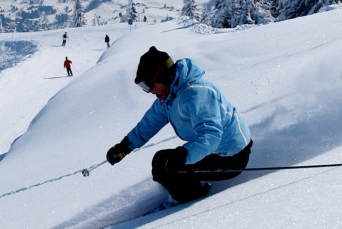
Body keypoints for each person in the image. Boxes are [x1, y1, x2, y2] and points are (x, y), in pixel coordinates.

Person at [105, 46, 252, 203]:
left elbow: (211, 135)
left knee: (166, 166)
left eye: (147, 85)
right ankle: (189, 191)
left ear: (162, 76)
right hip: (216, 151)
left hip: (233, 156)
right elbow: (149, 123)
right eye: (143, 87)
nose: (149, 92)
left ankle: (191, 201)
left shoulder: (195, 93)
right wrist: (125, 146)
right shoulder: (169, 95)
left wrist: (182, 156)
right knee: (162, 162)